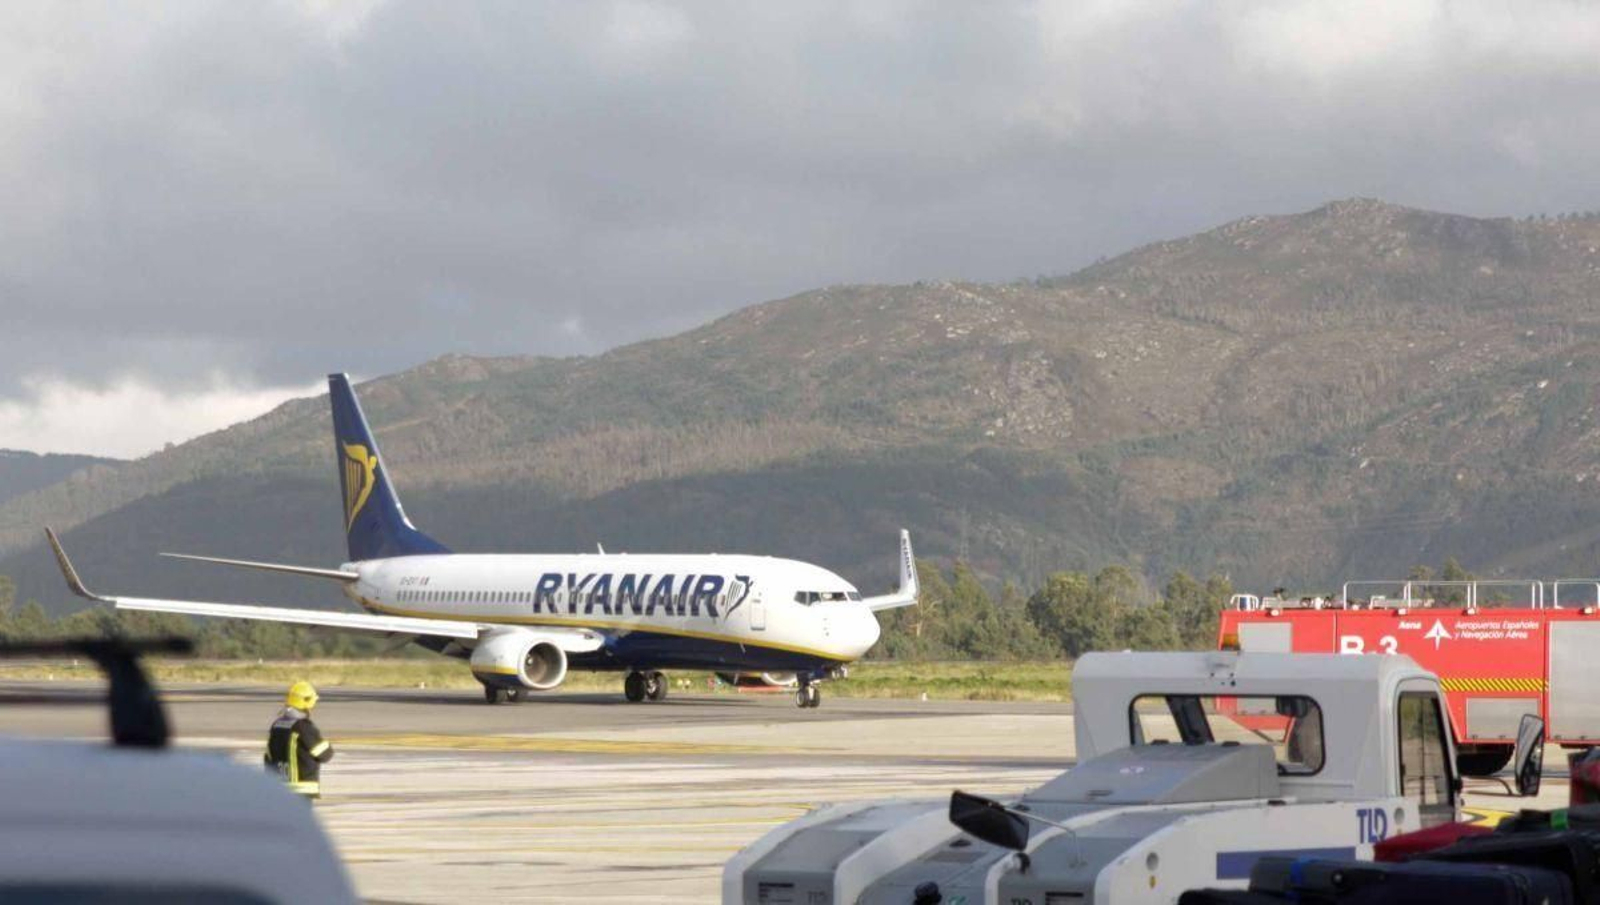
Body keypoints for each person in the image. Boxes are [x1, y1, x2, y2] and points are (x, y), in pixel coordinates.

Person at [265, 680, 334, 799]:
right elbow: (325, 754)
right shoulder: (303, 727)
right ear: (306, 702)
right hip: (301, 791)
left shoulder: (276, 725)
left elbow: (268, 758)